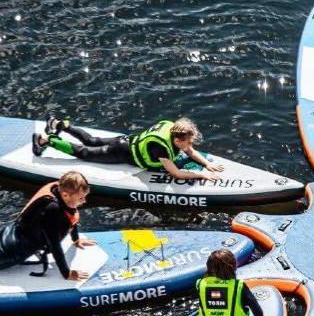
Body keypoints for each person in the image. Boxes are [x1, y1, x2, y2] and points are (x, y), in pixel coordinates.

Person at [32, 116, 224, 182]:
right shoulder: (161, 149)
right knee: (84, 152)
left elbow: (190, 152)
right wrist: (202, 175)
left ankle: (59, 124)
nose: (190, 147)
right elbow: (177, 174)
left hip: (124, 140)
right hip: (120, 152)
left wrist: (206, 163)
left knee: (92, 139)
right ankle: (45, 141)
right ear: (178, 139)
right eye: (188, 142)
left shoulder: (172, 129)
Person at [0, 171, 95, 280]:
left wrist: (76, 240)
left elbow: (72, 215)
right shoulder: (52, 211)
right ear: (65, 195)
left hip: (10, 230)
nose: (84, 201)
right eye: (81, 198)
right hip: (13, 249)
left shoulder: (60, 189)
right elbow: (55, 246)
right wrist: (66, 273)